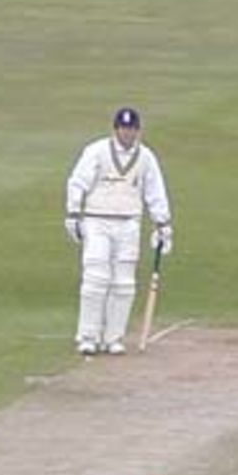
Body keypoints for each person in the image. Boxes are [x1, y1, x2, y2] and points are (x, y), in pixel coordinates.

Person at [64, 106, 172, 356]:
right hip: (97, 221)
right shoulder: (97, 151)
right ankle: (88, 336)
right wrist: (73, 213)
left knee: (124, 283)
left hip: (129, 222)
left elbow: (155, 192)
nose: (128, 134)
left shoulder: (146, 158)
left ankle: (114, 337)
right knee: (95, 279)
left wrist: (163, 224)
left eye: (132, 129)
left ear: (138, 130)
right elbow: (77, 182)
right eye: (124, 129)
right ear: (116, 129)